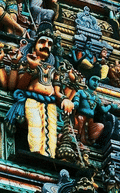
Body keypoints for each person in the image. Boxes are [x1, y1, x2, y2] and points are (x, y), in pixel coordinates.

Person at [4, 23, 74, 157]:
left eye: (49, 44)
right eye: (42, 42)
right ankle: (36, 153)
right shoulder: (27, 62)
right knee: (36, 127)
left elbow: (57, 91)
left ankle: (49, 156)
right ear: (34, 45)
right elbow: (20, 86)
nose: (45, 46)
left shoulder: (53, 69)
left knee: (51, 130)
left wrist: (65, 99)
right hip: (32, 100)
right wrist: (31, 68)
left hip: (51, 103)